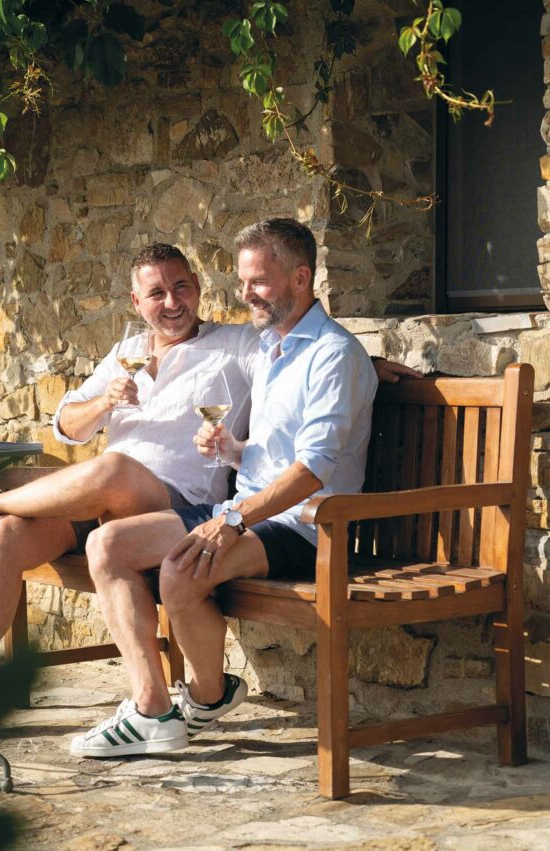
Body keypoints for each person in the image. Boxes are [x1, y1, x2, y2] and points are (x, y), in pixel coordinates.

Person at [0, 242, 416, 676]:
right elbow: (66, 424)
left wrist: (367, 363)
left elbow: (296, 355)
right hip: (101, 503)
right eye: (157, 293)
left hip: (176, 503)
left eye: (182, 288)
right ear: (137, 303)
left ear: (197, 287)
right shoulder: (126, 352)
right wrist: (105, 403)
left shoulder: (235, 344)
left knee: (113, 469)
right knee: (10, 537)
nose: (173, 302)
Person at [71, 219, 378, 757]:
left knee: (179, 569)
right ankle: (173, 705)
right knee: (107, 544)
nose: (244, 294)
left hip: (307, 528)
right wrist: (232, 452)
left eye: (257, 281)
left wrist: (233, 520)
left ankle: (192, 703)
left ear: (301, 277)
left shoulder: (332, 355)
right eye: (242, 281)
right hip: (246, 510)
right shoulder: (274, 348)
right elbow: (275, 452)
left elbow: (313, 469)